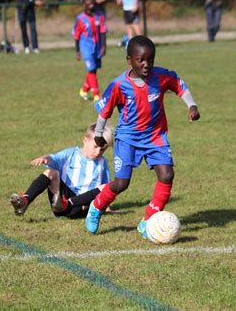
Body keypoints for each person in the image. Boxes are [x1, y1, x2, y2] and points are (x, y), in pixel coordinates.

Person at [85, 35, 201, 237]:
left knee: (167, 175)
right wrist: (97, 135)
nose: (147, 65)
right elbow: (104, 112)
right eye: (141, 60)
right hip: (128, 139)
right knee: (122, 183)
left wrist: (191, 105)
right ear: (129, 60)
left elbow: (179, 85)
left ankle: (147, 221)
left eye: (151, 60)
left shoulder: (160, 77)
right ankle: (97, 206)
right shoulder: (119, 85)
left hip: (155, 137)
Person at [10, 124, 114, 218]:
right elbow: (54, 158)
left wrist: (106, 207)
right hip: (60, 204)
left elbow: (106, 188)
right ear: (85, 140)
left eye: (102, 149)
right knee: (51, 172)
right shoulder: (71, 154)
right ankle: (25, 201)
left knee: (106, 187)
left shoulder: (102, 163)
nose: (98, 152)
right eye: (95, 147)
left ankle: (67, 204)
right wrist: (45, 158)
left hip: (82, 207)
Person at [73, 0, 107, 102]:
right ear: (83, 3)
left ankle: (83, 90)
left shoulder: (99, 17)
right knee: (91, 70)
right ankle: (96, 95)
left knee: (94, 69)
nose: (91, 1)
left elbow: (102, 32)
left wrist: (103, 46)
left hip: (97, 47)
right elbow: (76, 35)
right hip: (86, 48)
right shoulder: (80, 19)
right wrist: (77, 51)